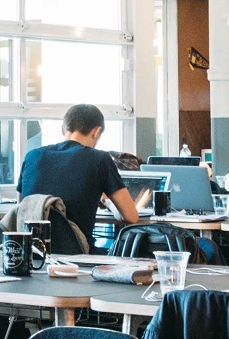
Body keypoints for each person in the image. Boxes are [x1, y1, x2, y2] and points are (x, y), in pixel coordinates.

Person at [17, 102, 141, 242]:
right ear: (96, 132)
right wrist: (106, 201)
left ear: (63, 130)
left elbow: (22, 205)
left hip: (29, 253)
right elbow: (131, 216)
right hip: (76, 255)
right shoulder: (100, 159)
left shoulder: (32, 156)